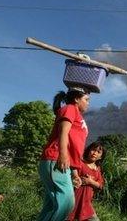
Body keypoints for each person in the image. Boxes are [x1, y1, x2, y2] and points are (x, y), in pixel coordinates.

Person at [38, 87, 91, 221]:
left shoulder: (77, 114)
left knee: (51, 207)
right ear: (76, 99)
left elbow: (74, 146)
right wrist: (62, 154)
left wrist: (74, 172)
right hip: (55, 159)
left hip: (62, 163)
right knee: (66, 202)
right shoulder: (70, 108)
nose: (88, 103)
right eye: (86, 99)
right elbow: (63, 132)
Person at [67, 142, 105, 221]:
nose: (95, 153)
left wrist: (90, 181)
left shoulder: (97, 169)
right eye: (93, 150)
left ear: (101, 157)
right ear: (88, 150)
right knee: (68, 218)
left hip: (86, 204)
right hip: (74, 199)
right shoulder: (80, 164)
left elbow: (100, 185)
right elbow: (72, 176)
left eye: (98, 152)